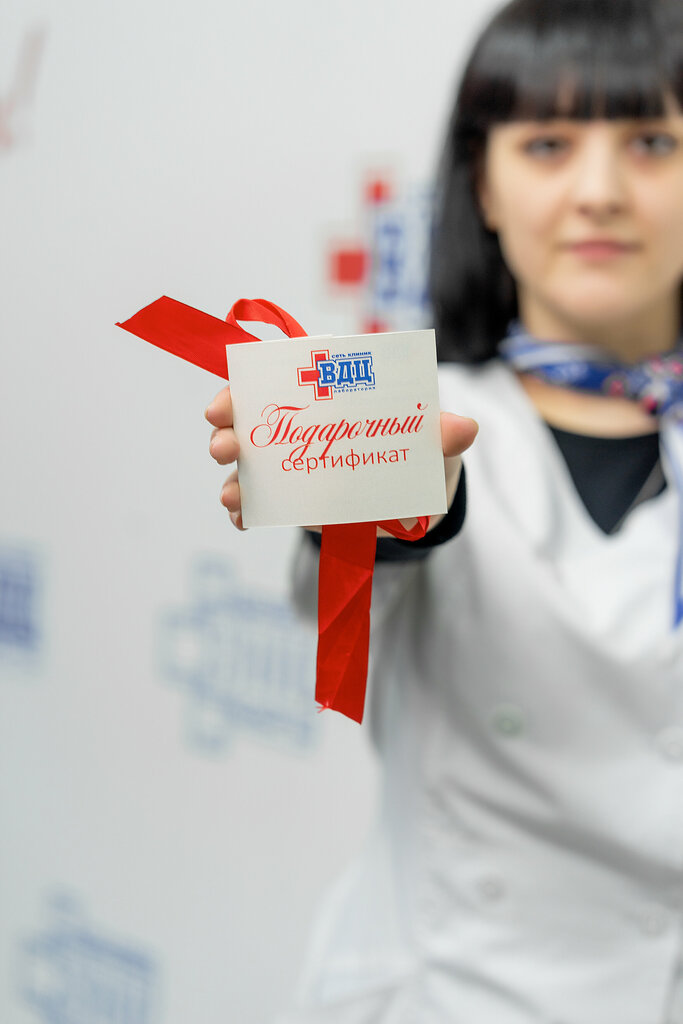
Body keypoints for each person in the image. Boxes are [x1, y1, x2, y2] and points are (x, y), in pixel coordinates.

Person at [205, 0, 683, 1019]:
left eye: (651, 143)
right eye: (547, 145)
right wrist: (364, 486)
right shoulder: (415, 415)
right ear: (481, 184)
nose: (599, 192)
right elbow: (383, 535)